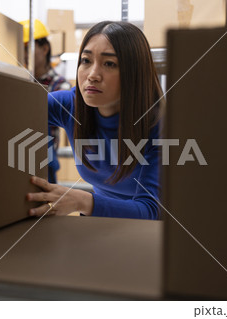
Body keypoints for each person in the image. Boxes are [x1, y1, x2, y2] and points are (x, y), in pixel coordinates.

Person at [26, 21, 164, 220]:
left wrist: (83, 201)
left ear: (134, 73)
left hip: (150, 234)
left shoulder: (160, 123)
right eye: (86, 60)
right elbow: (10, 115)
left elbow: (151, 210)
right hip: (98, 224)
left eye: (109, 64)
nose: (92, 75)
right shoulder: (70, 105)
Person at [21, 19, 71, 183]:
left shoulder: (60, 84)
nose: (24, 55)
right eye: (21, 50)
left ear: (44, 48)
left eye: (28, 49)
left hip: (44, 160)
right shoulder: (18, 81)